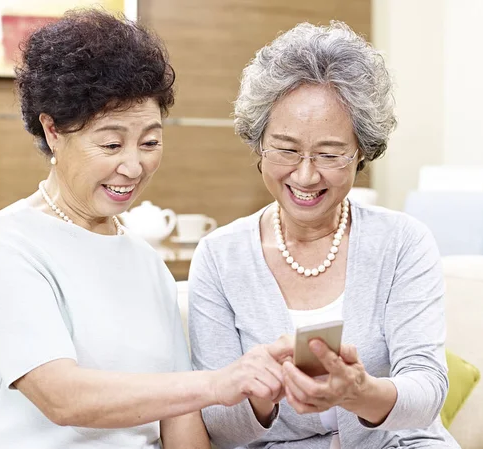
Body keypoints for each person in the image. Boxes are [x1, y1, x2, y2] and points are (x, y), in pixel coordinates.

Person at [0, 9, 293, 449]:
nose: (134, 166)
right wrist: (219, 384)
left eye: (150, 142)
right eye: (111, 144)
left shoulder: (147, 262)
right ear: (53, 130)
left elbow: (180, 418)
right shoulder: (4, 245)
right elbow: (63, 398)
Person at [188, 21, 460, 449]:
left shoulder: (403, 242)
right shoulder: (219, 257)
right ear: (259, 144)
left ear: (361, 154)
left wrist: (359, 392)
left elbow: (426, 393)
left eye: (330, 154)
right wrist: (259, 393)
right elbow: (219, 427)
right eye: (286, 149)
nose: (306, 174)